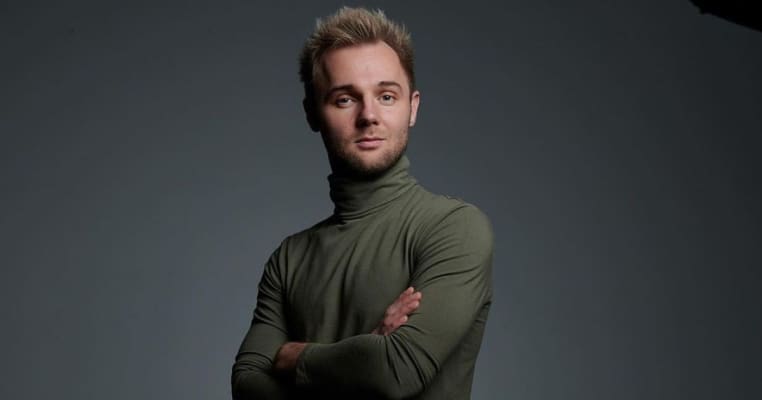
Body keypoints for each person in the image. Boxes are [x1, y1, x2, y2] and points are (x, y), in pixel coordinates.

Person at [231, 7, 493, 399]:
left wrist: (293, 357)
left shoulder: (454, 228)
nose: (368, 115)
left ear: (412, 107)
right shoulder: (289, 259)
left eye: (386, 96)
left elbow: (394, 371)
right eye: (344, 99)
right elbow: (246, 385)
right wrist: (366, 349)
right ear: (312, 113)